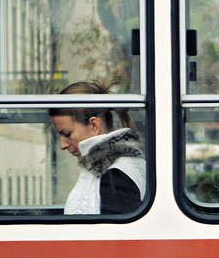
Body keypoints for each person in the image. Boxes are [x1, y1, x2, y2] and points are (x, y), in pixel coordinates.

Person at [48, 80, 146, 215]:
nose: (62, 145)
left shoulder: (114, 176)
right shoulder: (106, 167)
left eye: (67, 134)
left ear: (94, 125)